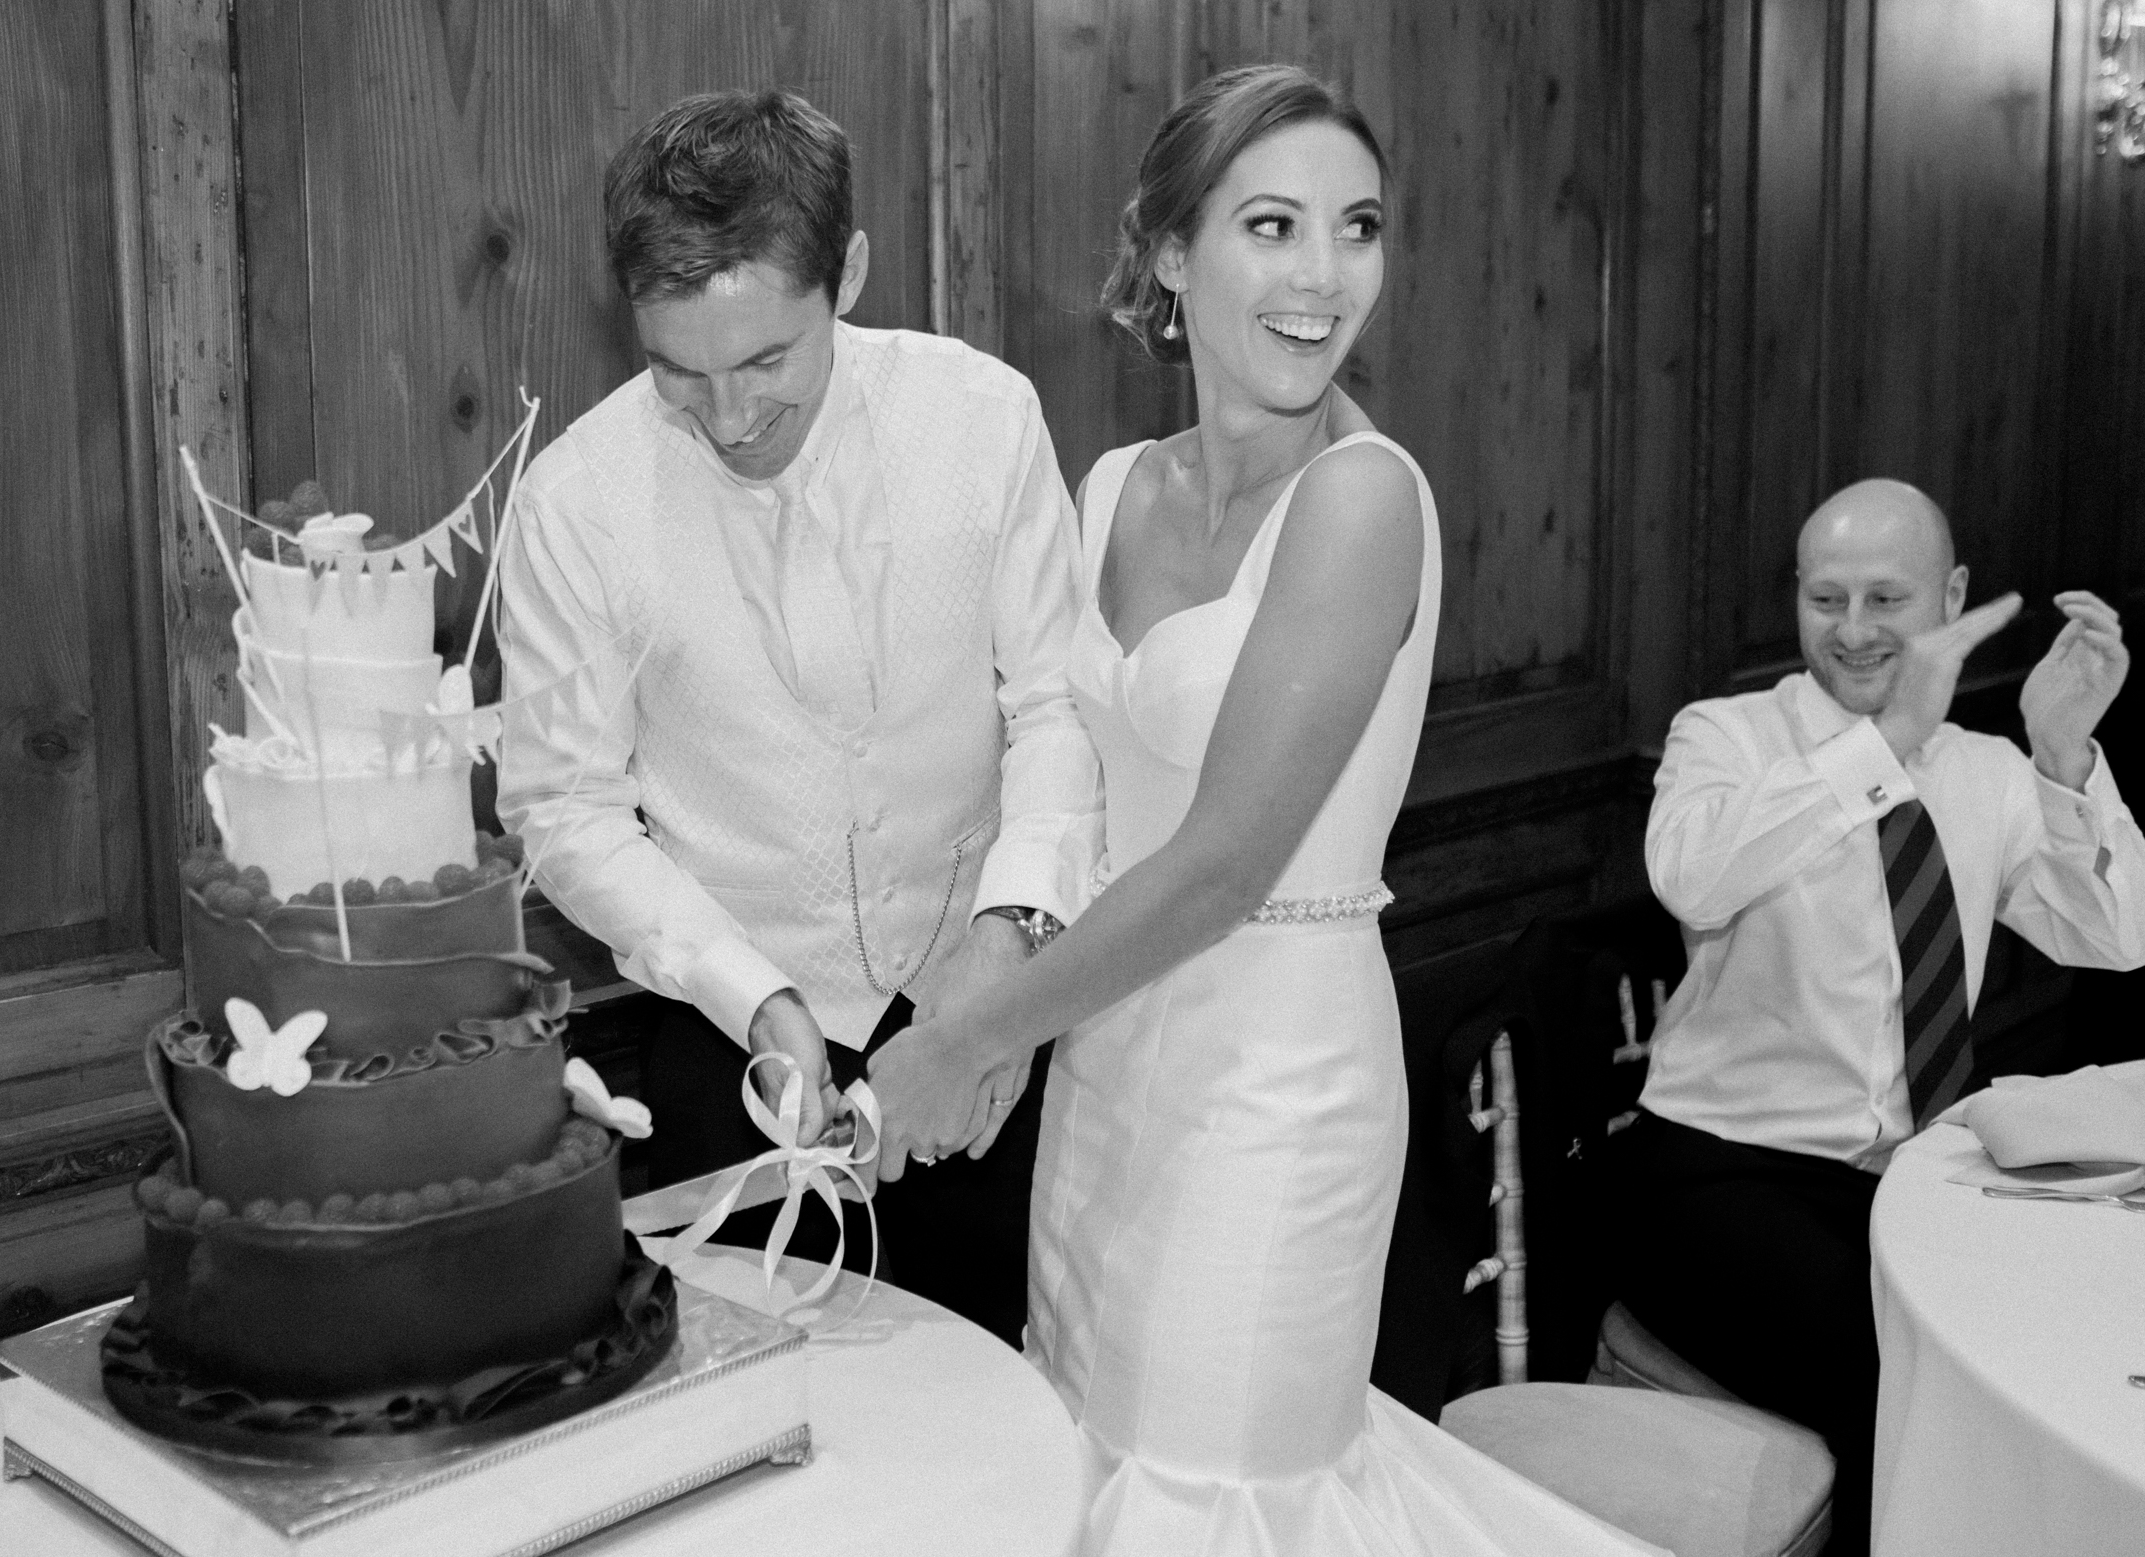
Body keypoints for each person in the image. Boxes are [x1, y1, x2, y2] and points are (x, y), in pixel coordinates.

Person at [869, 64, 1663, 1557]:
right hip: (1109, 1060)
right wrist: (992, 978)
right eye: (1271, 224)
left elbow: (1227, 862)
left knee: (1215, 1491)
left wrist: (976, 1039)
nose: (1321, 275)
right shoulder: (1106, 489)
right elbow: (1064, 776)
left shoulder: (1363, 500)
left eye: (1353, 227)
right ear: (1171, 256)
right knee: (1086, 1451)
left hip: (1274, 1085)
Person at [495, 89, 1101, 1347]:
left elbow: (1054, 703)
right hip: (725, 1051)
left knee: (981, 1426)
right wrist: (753, 996)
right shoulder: (574, 504)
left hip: (976, 1014)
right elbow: (562, 808)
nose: (728, 418)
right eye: (678, 373)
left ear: (850, 274)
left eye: (768, 360)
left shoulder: (984, 420)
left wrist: (1010, 942)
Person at [1616, 478, 2143, 1556]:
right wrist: (1883, 742)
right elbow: (1692, 879)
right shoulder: (1724, 736)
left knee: (2054, 1350)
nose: (1850, 631)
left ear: (1950, 595)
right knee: (1909, 1385)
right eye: (1825, 598)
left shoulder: (1989, 773)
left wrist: (2062, 759)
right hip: (1718, 1167)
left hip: (1916, 1178)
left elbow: (2113, 938)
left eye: (1885, 599)